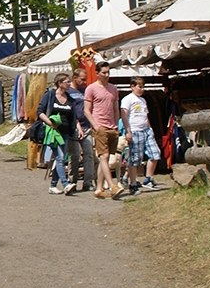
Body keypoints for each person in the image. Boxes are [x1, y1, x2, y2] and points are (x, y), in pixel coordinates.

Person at [84, 61, 123, 197]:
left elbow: (115, 108)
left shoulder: (113, 89)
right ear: (97, 73)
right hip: (100, 126)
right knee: (104, 156)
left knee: (105, 159)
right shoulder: (91, 88)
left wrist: (117, 124)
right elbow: (86, 110)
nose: (107, 75)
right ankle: (112, 185)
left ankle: (99, 189)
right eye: (104, 73)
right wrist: (95, 126)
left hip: (112, 126)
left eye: (108, 72)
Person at [36, 73, 78, 195]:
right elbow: (40, 112)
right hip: (54, 132)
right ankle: (65, 185)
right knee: (59, 158)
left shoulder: (69, 99)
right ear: (60, 84)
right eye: (67, 82)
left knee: (60, 159)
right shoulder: (50, 96)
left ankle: (53, 185)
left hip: (65, 133)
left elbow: (72, 116)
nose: (69, 84)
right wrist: (50, 123)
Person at [121, 78, 160, 190]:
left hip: (146, 130)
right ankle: (132, 182)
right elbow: (124, 115)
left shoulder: (143, 100)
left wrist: (150, 128)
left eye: (143, 87)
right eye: (140, 87)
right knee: (135, 158)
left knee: (155, 153)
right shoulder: (128, 99)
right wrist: (128, 131)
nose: (142, 89)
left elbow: (145, 115)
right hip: (135, 130)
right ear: (132, 86)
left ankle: (149, 178)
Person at [67, 66, 95, 191]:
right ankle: (72, 181)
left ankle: (88, 182)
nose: (84, 82)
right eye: (82, 80)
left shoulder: (86, 91)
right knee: (75, 156)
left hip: (87, 126)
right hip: (73, 128)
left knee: (89, 155)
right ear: (75, 78)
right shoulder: (68, 92)